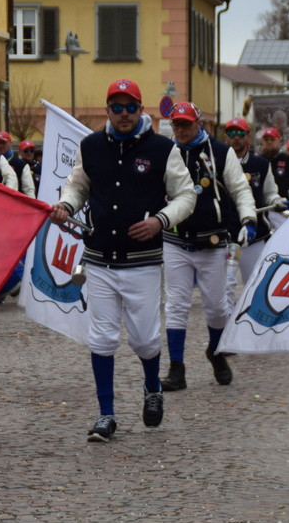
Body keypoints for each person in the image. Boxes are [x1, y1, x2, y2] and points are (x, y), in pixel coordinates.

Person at [50, 79, 195, 442]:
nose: (124, 113)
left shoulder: (163, 148)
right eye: (117, 106)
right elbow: (78, 185)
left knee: (145, 339)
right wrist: (67, 205)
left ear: (140, 108)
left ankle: (152, 388)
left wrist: (160, 220)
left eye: (130, 106)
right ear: (107, 109)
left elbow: (186, 195)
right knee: (101, 337)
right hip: (99, 258)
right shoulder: (91, 145)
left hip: (142, 261)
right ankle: (105, 414)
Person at [159, 102, 255, 392]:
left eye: (186, 124)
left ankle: (215, 350)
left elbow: (240, 189)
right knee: (176, 304)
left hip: (212, 242)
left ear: (199, 124)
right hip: (175, 240)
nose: (181, 130)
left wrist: (248, 219)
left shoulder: (221, 153)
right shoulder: (165, 152)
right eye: (176, 125)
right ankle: (177, 368)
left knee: (216, 307)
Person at [223, 117, 280, 309]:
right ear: (226, 137)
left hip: (255, 235)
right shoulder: (217, 162)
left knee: (255, 287)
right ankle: (224, 334)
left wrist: (275, 201)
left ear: (247, 136)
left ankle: (254, 331)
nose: (235, 137)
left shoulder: (262, 164)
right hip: (226, 235)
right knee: (225, 291)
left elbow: (270, 193)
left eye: (240, 133)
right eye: (231, 133)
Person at [259, 127, 289, 201]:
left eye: (272, 139)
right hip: (263, 207)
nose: (269, 142)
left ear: (279, 141)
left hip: (285, 207)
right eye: (266, 140)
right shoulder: (258, 161)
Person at [0, 131, 36, 197]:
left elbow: (29, 190)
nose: (1, 145)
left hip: (14, 202)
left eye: (3, 143)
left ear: (10, 143)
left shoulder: (21, 165)